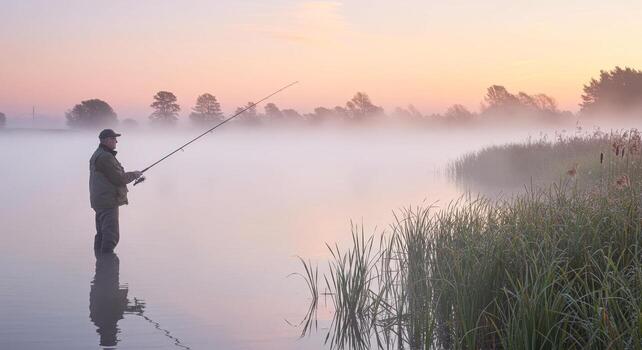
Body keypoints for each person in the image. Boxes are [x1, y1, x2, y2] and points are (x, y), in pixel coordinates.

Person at [90, 129, 142, 253]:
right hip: (108, 201)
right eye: (114, 139)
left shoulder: (98, 154)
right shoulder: (105, 157)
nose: (116, 141)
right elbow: (119, 179)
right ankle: (107, 265)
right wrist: (135, 174)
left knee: (102, 234)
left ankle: (100, 263)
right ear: (107, 140)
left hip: (100, 200)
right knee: (110, 237)